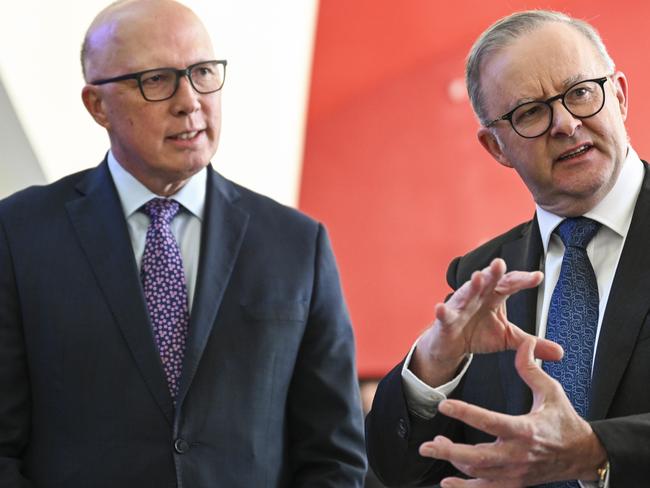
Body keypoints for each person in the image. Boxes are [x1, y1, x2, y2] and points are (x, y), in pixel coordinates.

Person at [0, 0, 366, 486]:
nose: (189, 100)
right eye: (156, 79)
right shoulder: (21, 234)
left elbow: (334, 455)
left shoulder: (296, 245)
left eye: (202, 72)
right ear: (97, 105)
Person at [366, 9, 650, 487]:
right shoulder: (481, 279)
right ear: (496, 147)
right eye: (531, 112)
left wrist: (597, 452)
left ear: (618, 96)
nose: (565, 123)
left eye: (581, 93)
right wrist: (432, 368)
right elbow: (401, 470)